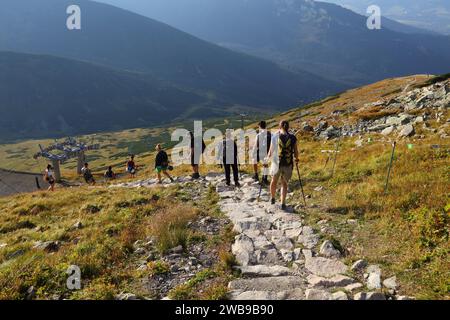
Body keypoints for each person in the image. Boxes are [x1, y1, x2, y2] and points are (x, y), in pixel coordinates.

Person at [266, 120, 299, 211]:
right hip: (288, 164)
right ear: (288, 127)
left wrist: (267, 158)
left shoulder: (275, 136)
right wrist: (296, 159)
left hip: (276, 163)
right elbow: (296, 152)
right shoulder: (293, 137)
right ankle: (283, 203)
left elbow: (271, 151)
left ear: (280, 126)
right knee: (284, 184)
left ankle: (272, 198)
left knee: (274, 181)